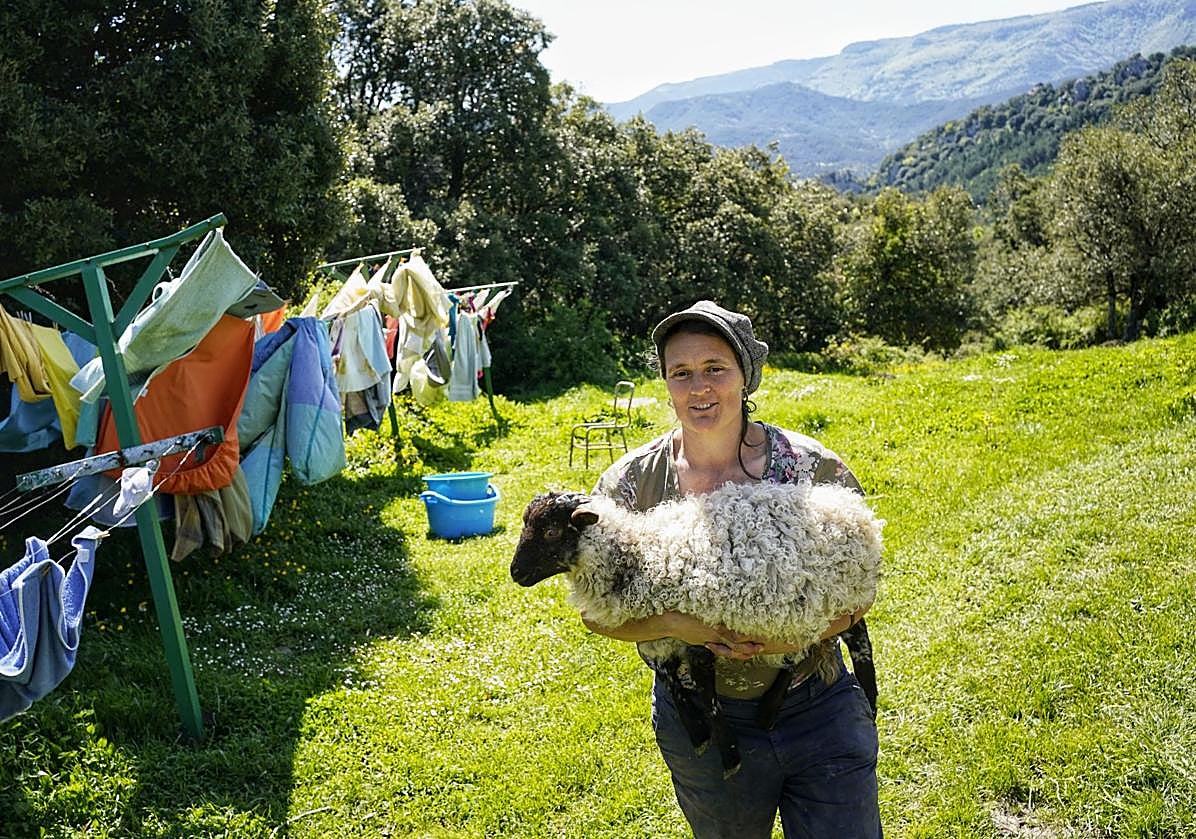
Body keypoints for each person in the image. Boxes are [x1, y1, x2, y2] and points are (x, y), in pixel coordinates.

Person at [587, 300, 881, 838]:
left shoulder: (809, 468)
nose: (699, 387)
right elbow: (598, 613)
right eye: (682, 373)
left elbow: (861, 588)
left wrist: (785, 635)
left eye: (715, 369)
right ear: (667, 383)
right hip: (702, 721)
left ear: (745, 374)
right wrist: (681, 626)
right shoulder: (631, 487)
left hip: (817, 704)